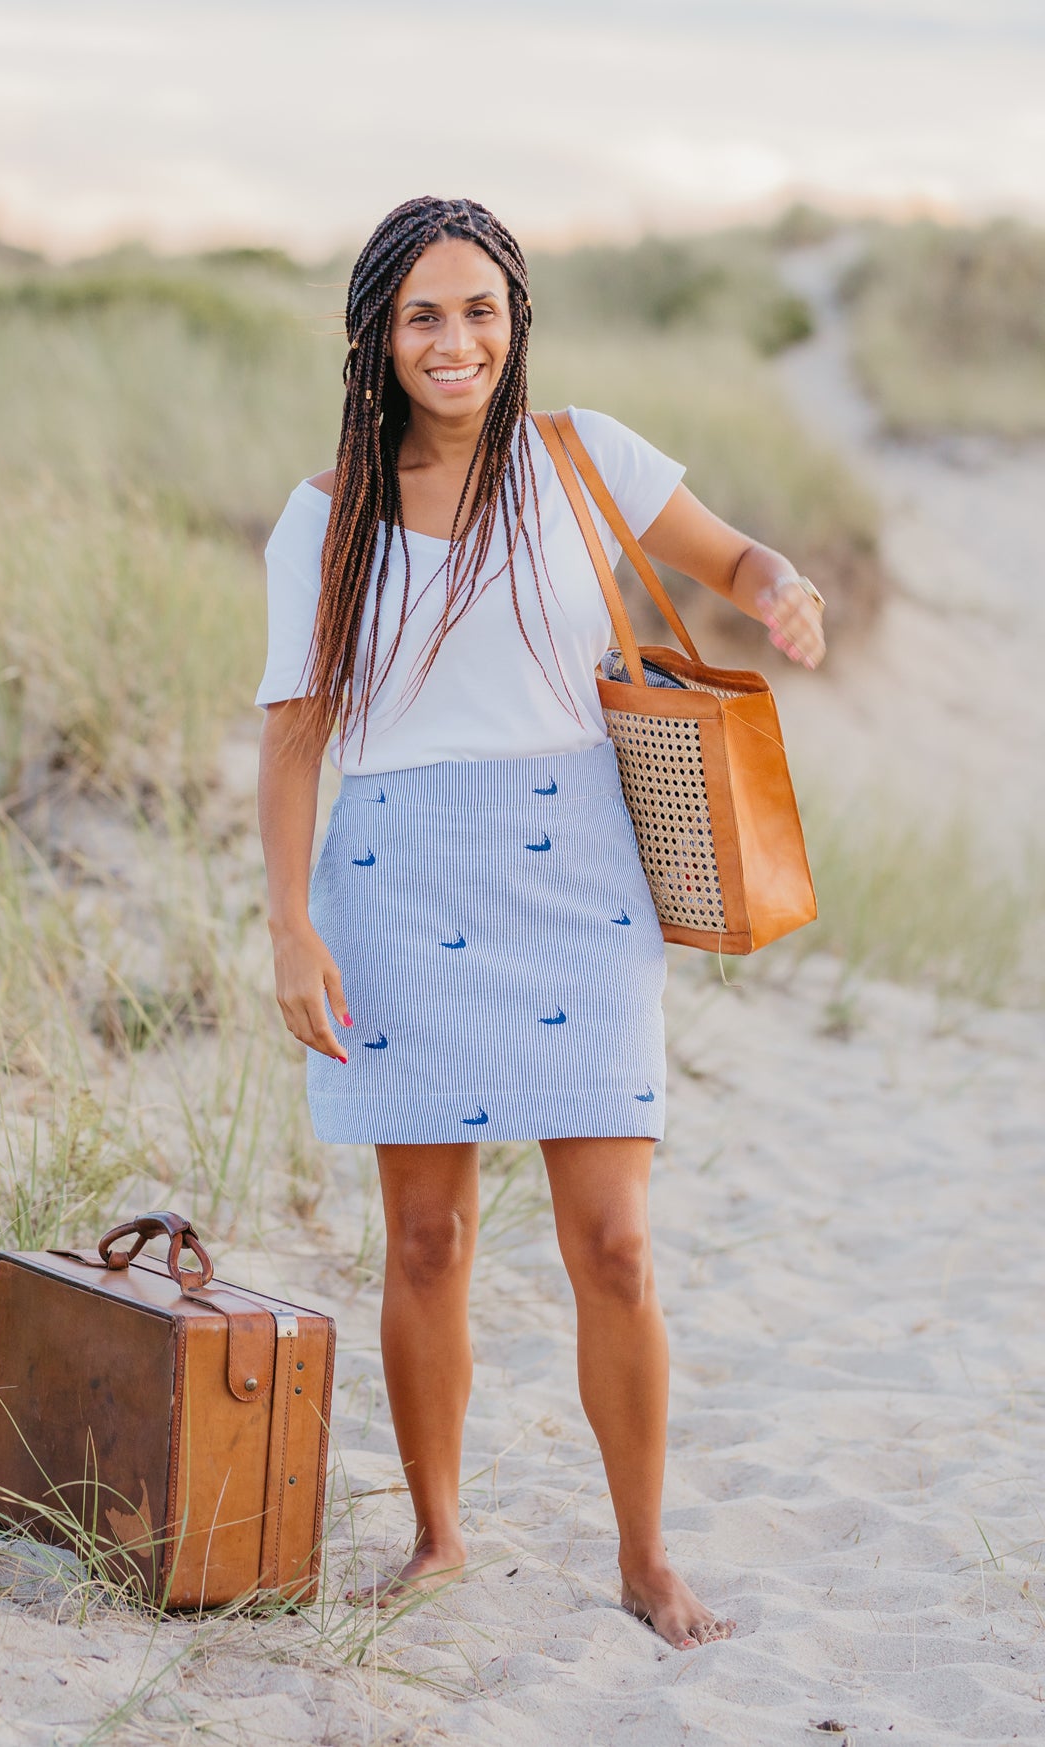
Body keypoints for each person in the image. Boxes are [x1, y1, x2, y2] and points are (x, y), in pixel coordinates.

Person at [255, 195, 825, 1651]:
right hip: (394, 879)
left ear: (516, 323)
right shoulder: (326, 518)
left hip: (578, 873)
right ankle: (441, 1536)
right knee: (429, 1237)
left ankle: (644, 1558)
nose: (458, 341)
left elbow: (738, 562)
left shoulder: (587, 455)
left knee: (615, 1245)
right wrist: (288, 927)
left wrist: (784, 591)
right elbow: (292, 743)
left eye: (482, 311)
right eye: (424, 315)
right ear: (377, 339)